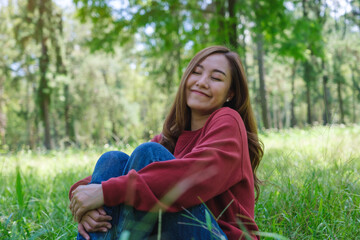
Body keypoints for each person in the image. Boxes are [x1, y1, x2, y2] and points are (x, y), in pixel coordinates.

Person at [69, 46, 264, 240]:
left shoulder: (228, 120)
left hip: (220, 236)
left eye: (216, 78)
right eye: (196, 72)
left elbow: (193, 175)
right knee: (113, 159)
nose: (202, 82)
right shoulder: (171, 138)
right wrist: (82, 198)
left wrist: (105, 192)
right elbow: (120, 170)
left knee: (148, 153)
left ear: (230, 93)